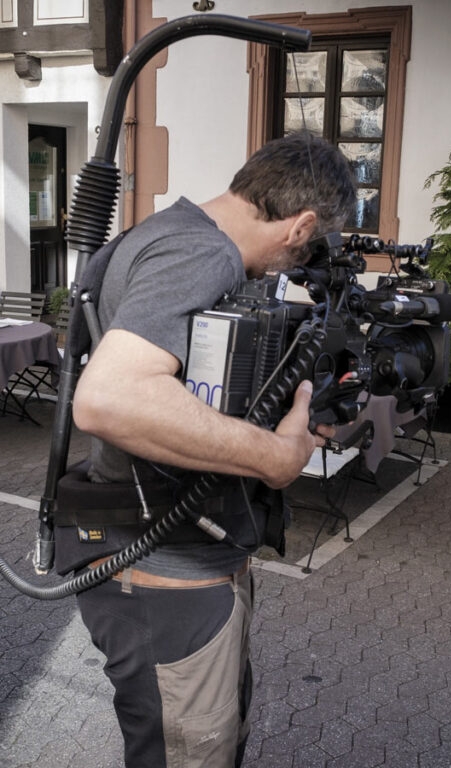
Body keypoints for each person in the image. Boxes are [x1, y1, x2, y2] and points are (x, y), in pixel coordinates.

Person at [68, 133, 356, 767]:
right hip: (165, 573)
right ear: (302, 226)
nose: (295, 267)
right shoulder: (203, 252)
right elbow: (109, 398)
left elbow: (185, 388)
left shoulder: (169, 232)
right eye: (310, 249)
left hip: (161, 557)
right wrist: (275, 456)